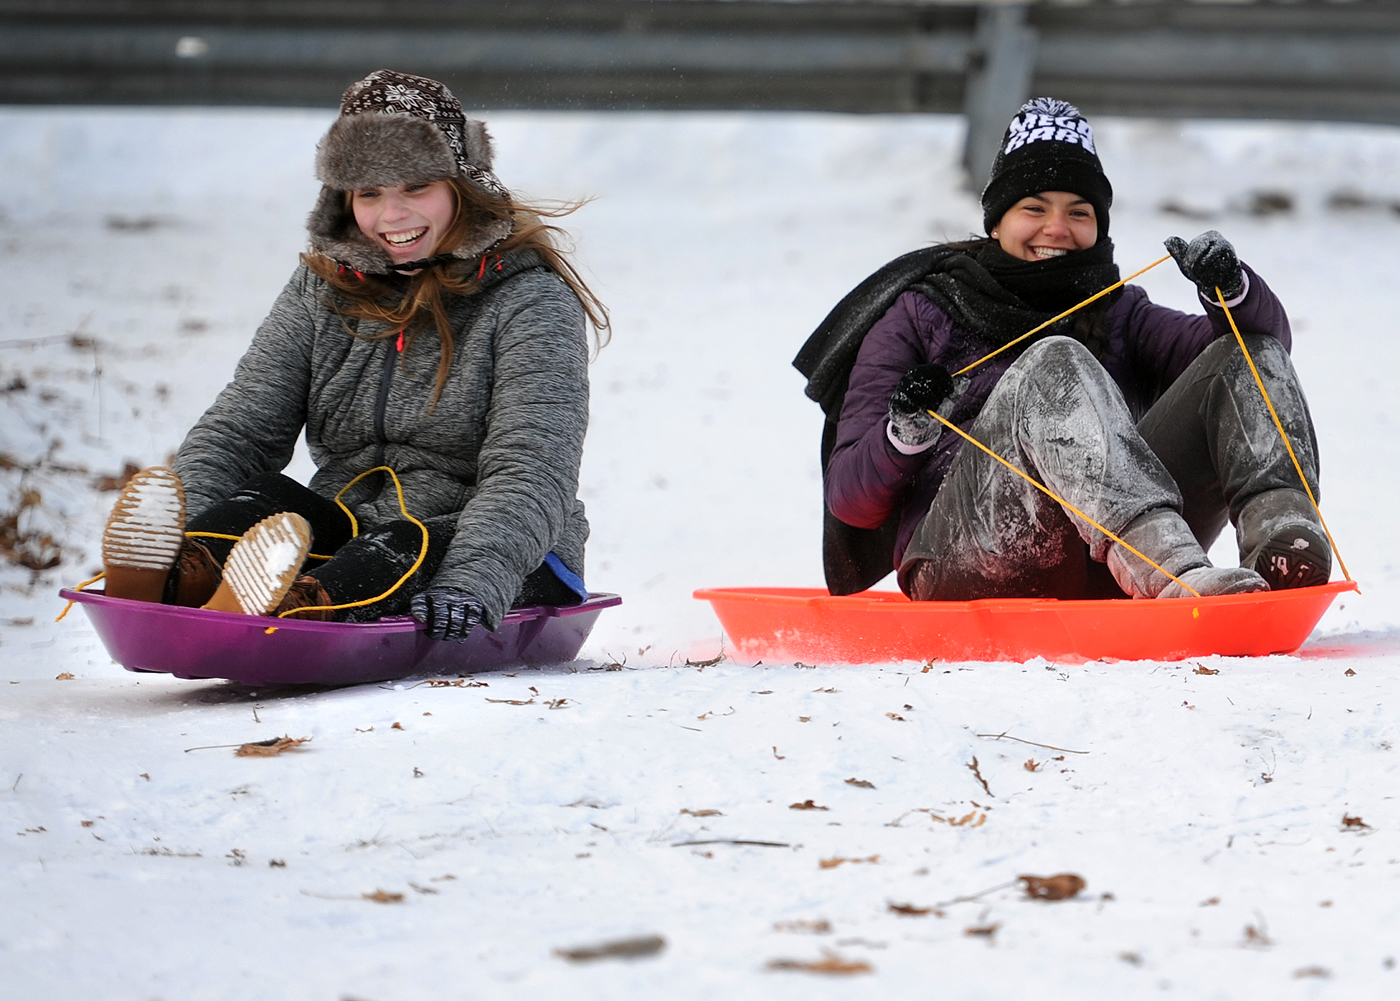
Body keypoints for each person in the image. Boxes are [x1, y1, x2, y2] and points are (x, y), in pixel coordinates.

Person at [99, 70, 607, 641]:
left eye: (415, 186)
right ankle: (178, 580)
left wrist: (474, 578)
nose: (391, 217)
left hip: (501, 553)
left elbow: (531, 467)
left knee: (399, 547)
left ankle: (296, 606)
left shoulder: (530, 301)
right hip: (351, 525)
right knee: (266, 502)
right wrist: (190, 529)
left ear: (462, 184)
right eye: (369, 193)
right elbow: (242, 429)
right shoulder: (323, 288)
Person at [794, 97, 1330, 602]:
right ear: (997, 220)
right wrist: (904, 437)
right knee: (1055, 361)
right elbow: (850, 500)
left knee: (1243, 349)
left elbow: (1257, 353)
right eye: (1034, 208)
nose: (1057, 228)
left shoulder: (1120, 311)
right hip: (959, 560)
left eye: (1079, 212)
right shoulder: (920, 312)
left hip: (1103, 566)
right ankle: (1171, 570)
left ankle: (1285, 548)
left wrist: (1231, 291)